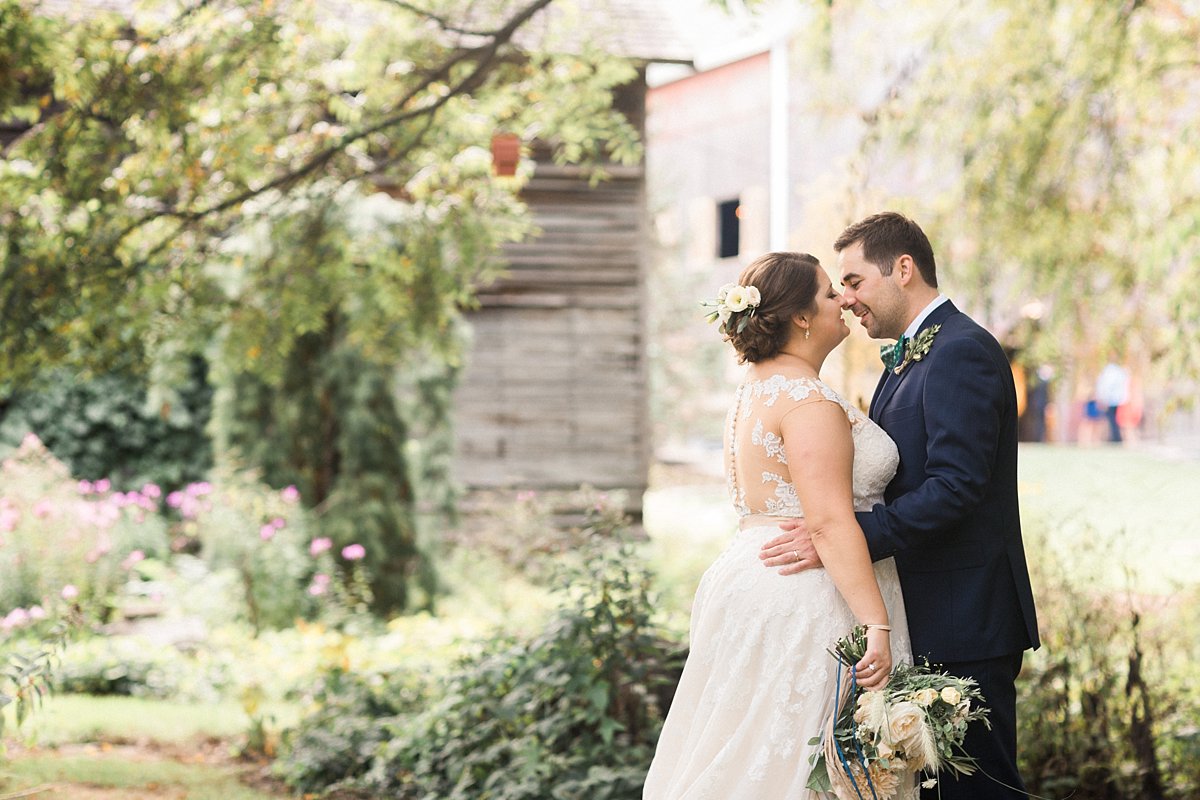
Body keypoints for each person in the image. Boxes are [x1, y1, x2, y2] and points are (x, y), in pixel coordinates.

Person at [762, 213, 1040, 800]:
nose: (847, 299)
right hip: (921, 606)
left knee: (978, 790)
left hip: (965, 613)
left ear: (904, 269)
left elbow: (956, 486)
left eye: (856, 281)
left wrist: (848, 535)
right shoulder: (906, 359)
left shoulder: (961, 350)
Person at [643, 252, 913, 799]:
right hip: (809, 595)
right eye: (829, 293)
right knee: (808, 762)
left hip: (748, 577)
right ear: (801, 318)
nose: (844, 300)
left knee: (754, 750)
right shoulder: (808, 401)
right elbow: (830, 523)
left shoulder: (753, 392)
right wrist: (876, 625)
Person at [1095, 356, 1130, 443]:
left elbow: (1105, 387)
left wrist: (1103, 398)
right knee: (1115, 419)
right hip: (1118, 399)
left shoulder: (1108, 372)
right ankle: (1116, 437)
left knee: (1113, 419)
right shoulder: (1120, 372)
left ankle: (1116, 437)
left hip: (1111, 400)